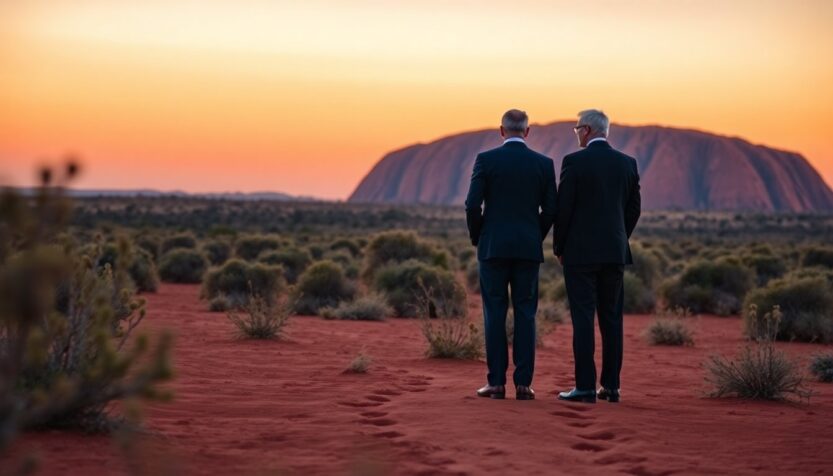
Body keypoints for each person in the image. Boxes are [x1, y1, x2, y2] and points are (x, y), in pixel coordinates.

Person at [465, 109, 557, 400]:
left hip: (493, 249)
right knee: (526, 314)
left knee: (494, 313)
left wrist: (479, 237)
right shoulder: (543, 164)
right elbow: (552, 210)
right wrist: (535, 236)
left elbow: (471, 206)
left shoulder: (486, 160)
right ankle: (523, 384)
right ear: (527, 132)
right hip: (527, 250)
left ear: (501, 131)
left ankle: (495, 384)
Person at [554, 109, 641, 404]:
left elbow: (563, 210)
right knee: (612, 320)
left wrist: (560, 247)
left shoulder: (574, 163)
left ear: (588, 130)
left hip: (579, 255)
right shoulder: (627, 164)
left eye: (577, 128)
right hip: (614, 254)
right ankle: (612, 387)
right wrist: (618, 238)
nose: (576, 133)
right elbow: (633, 210)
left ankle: (585, 387)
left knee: (583, 320)